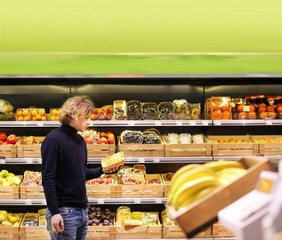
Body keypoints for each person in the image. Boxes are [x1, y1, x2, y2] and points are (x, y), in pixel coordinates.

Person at [42, 95, 118, 240]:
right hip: (64, 212)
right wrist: (55, 212)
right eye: (86, 117)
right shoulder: (53, 140)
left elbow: (80, 174)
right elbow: (48, 179)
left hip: (82, 211)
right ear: (72, 114)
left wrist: (102, 170)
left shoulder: (80, 141)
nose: (90, 122)